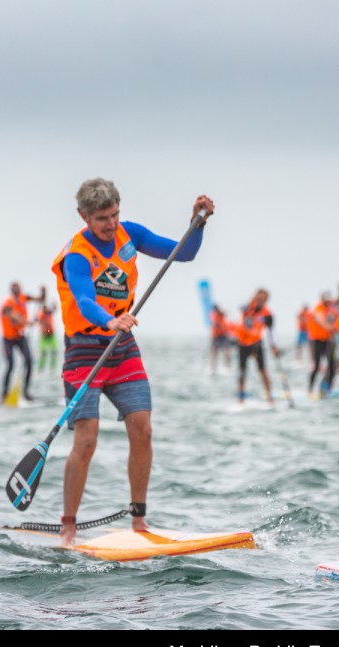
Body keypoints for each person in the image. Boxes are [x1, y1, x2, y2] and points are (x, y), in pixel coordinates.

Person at [52, 177, 213, 546]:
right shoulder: (77, 254)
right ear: (84, 217)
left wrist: (198, 223)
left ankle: (139, 521)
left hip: (122, 348)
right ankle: (68, 527)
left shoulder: (129, 234)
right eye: (101, 219)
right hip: (84, 350)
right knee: (87, 440)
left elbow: (183, 254)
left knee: (143, 429)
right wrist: (110, 320)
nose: (110, 225)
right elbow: (82, 299)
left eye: (114, 215)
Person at [0, 283, 45, 401]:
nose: (17, 291)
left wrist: (43, 293)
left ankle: (26, 392)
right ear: (11, 291)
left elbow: (39, 299)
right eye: (15, 289)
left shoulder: (23, 297)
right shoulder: (7, 303)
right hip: (8, 339)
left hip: (20, 337)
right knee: (10, 364)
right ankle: (4, 394)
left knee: (29, 361)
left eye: (18, 289)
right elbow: (14, 316)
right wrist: (29, 322)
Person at [234, 289, 277, 404]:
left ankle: (270, 397)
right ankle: (241, 399)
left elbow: (271, 331)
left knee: (263, 371)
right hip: (243, 344)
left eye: (264, 299)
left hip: (256, 344)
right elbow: (241, 308)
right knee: (242, 371)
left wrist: (273, 346)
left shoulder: (267, 314)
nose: (261, 301)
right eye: (259, 298)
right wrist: (253, 302)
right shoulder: (247, 307)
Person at [307, 285, 339, 397]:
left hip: (328, 340)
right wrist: (331, 328)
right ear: (322, 299)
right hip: (316, 340)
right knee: (317, 365)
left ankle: (327, 387)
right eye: (327, 300)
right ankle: (310, 389)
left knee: (332, 364)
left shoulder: (331, 306)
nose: (329, 302)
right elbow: (320, 320)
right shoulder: (318, 308)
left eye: (330, 300)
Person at [210, 305, 233, 374]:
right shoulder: (213, 315)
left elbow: (225, 313)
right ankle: (213, 368)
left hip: (224, 335)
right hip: (216, 336)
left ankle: (227, 367)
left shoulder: (221, 314)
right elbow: (213, 324)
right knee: (214, 353)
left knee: (227, 352)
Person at [37, 303, 58, 374]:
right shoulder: (41, 315)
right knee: (44, 353)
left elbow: (54, 308)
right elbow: (40, 321)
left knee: (54, 352)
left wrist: (54, 304)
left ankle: (52, 368)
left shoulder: (50, 313)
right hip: (44, 335)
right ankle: (41, 369)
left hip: (51, 334)